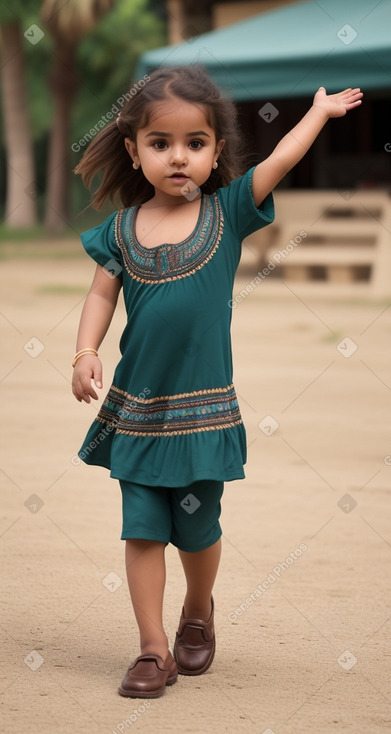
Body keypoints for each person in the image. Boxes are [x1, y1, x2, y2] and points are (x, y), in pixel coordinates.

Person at [72, 65, 362, 698]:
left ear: (216, 150)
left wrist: (316, 112)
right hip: (139, 414)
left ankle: (197, 608)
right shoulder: (120, 231)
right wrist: (84, 351)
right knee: (142, 526)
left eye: (195, 143)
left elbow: (282, 157)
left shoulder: (228, 212)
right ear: (134, 150)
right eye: (161, 143)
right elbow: (99, 294)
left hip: (203, 416)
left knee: (197, 528)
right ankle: (152, 651)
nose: (179, 157)